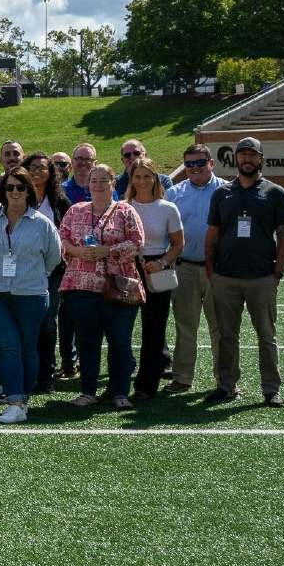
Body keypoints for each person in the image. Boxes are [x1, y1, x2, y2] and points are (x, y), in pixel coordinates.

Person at [0, 165, 62, 424]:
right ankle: (14, 401)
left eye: (20, 187)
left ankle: (22, 400)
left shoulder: (42, 224)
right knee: (8, 345)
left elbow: (53, 259)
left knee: (27, 347)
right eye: (9, 187)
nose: (14, 192)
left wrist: (29, 276)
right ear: (3, 191)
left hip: (30, 294)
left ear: (28, 191)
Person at [205, 136, 284, 407]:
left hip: (261, 277)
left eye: (252, 155)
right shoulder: (222, 193)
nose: (247, 159)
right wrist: (211, 271)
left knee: (266, 335)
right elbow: (213, 235)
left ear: (261, 159)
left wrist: (277, 273)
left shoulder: (275, 193)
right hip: (225, 277)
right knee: (227, 336)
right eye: (242, 155)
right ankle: (227, 385)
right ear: (235, 159)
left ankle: (271, 388)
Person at [59, 163, 145, 411]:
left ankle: (119, 392)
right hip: (80, 286)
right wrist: (77, 251)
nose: (97, 185)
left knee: (119, 341)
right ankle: (88, 391)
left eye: (103, 180)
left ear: (112, 184)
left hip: (118, 288)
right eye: (93, 180)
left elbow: (137, 243)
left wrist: (106, 251)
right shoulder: (76, 210)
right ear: (88, 184)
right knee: (87, 341)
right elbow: (62, 238)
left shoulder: (125, 211)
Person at [166, 143, 226, 394]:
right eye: (189, 164)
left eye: (200, 163)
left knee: (222, 328)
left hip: (219, 270)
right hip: (185, 268)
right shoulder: (174, 194)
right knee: (185, 326)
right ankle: (182, 377)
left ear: (211, 163)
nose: (194, 168)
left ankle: (226, 380)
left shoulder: (227, 190)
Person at [126, 156, 184, 401]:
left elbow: (178, 244)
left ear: (155, 179)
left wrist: (161, 263)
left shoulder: (167, 208)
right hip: (128, 268)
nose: (142, 181)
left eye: (147, 176)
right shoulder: (123, 206)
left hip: (157, 269)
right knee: (121, 329)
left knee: (153, 329)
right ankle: (118, 382)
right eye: (137, 176)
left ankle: (146, 384)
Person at [23, 152, 73, 389]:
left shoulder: (60, 202)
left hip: (52, 272)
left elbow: (69, 233)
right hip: (21, 271)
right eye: (32, 167)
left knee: (47, 322)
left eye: (42, 168)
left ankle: (46, 374)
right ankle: (26, 372)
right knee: (26, 322)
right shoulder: (17, 197)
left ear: (51, 173)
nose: (36, 171)